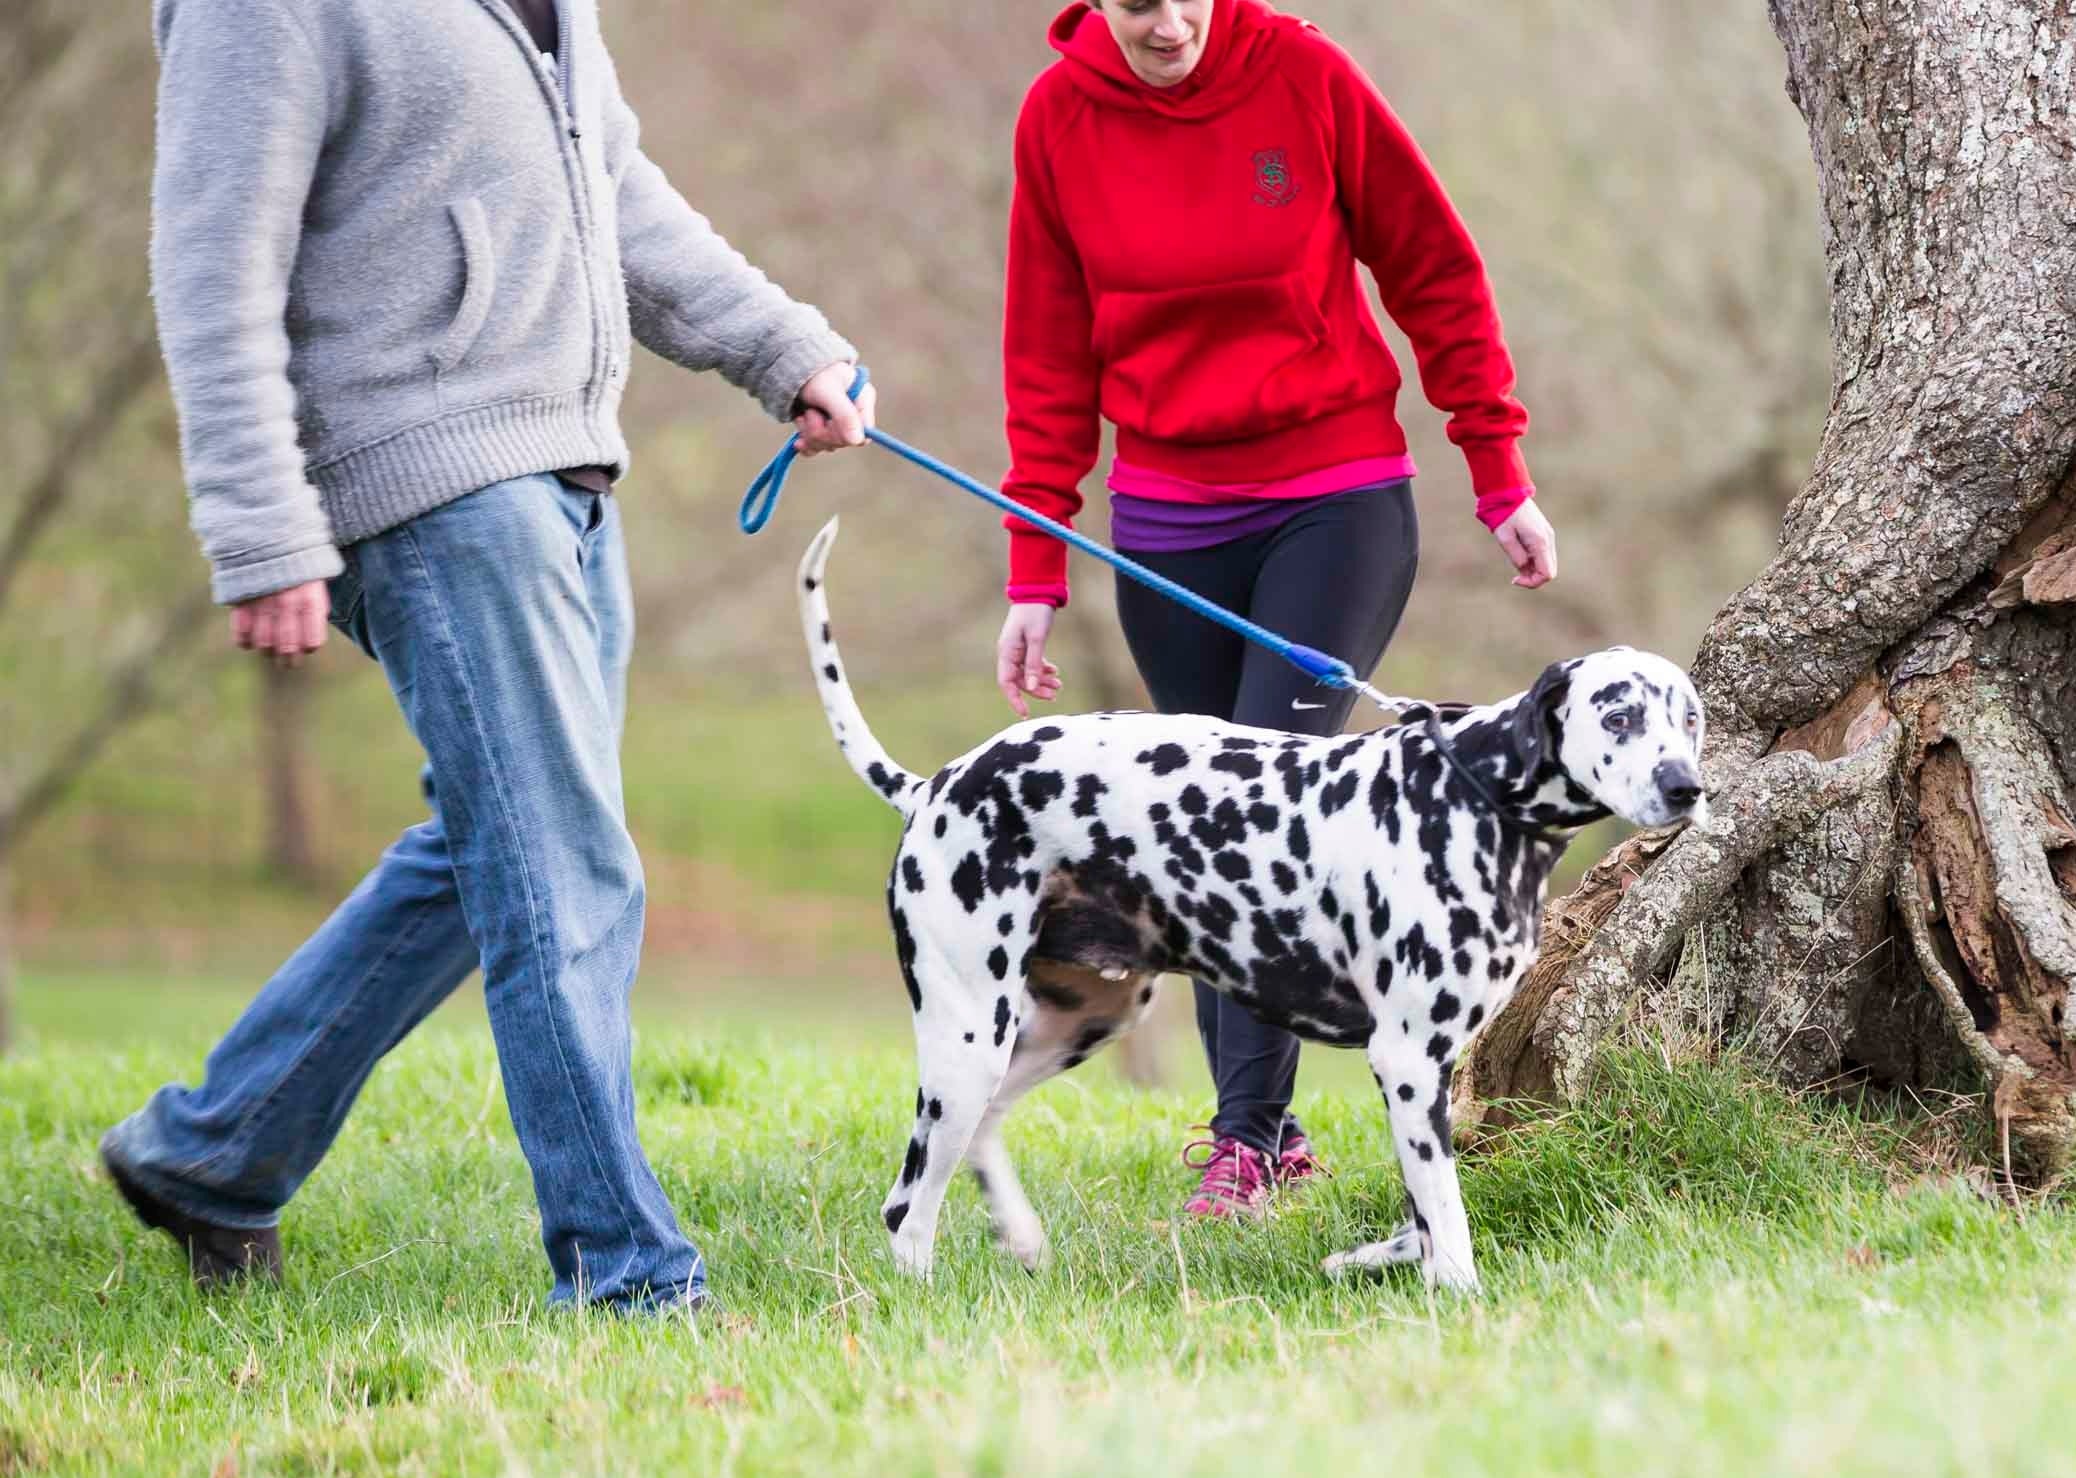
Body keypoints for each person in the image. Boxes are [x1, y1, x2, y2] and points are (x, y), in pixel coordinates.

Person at [98, 0, 873, 1305]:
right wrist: (259, 526)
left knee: (500, 850)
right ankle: (627, 1273)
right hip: (428, 481)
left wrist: (782, 347)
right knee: (563, 872)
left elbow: (614, 193)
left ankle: (213, 1154)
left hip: (561, 471)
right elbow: (212, 258)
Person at [994, 0, 1558, 1218]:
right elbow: (1045, 351)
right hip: (1166, 524)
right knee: (1201, 830)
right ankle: (1273, 1129)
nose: (1169, 21)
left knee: (1266, 795)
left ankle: (1244, 1140)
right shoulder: (1060, 118)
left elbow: (1432, 267)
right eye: (1139, 1)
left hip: (1335, 499)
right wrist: (1034, 565)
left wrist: (1495, 465)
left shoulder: (1301, 74)